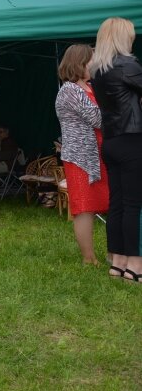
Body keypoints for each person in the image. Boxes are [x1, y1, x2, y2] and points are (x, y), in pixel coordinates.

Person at [89, 17, 142, 281]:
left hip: (110, 141)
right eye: (131, 35)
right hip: (132, 139)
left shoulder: (97, 70)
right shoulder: (128, 65)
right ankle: (134, 265)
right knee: (133, 204)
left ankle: (117, 262)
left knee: (118, 203)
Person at [55, 44, 109, 265]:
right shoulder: (69, 90)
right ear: (79, 63)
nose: (95, 65)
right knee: (84, 207)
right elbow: (97, 118)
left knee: (106, 202)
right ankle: (89, 258)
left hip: (100, 155)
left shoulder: (90, 87)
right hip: (81, 158)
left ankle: (111, 253)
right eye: (91, 61)